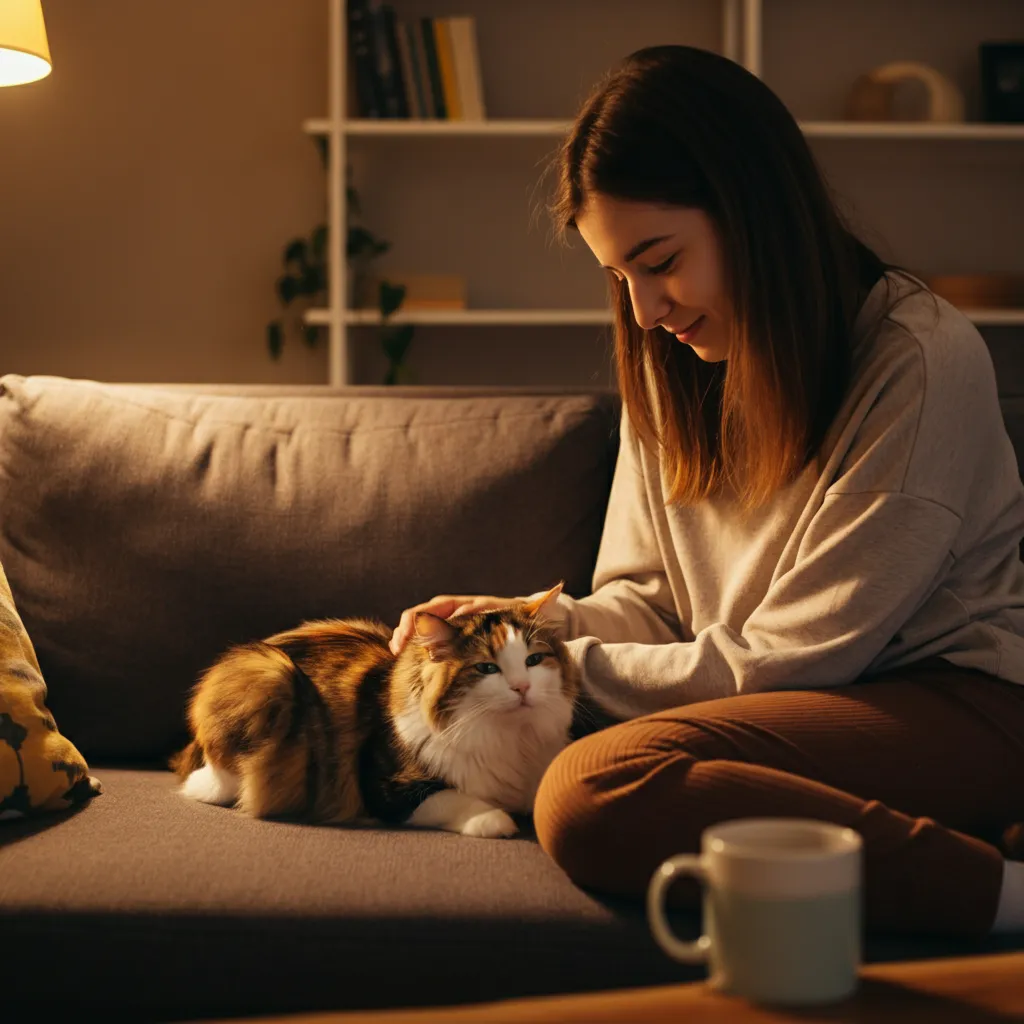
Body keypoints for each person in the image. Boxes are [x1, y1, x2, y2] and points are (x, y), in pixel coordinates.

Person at [389, 45, 1024, 938]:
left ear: (753, 211)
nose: (646, 309)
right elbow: (650, 603)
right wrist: (537, 630)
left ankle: (1003, 904)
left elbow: (803, 658)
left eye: (660, 260)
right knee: (534, 746)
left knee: (587, 788)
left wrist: (560, 669)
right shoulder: (668, 365)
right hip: (781, 706)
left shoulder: (918, 358)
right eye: (620, 278)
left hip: (954, 700)